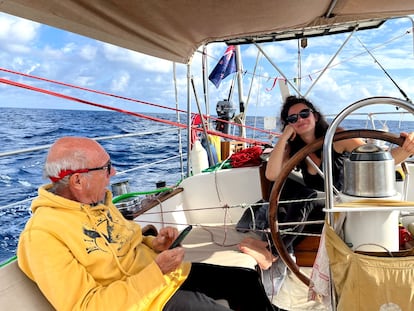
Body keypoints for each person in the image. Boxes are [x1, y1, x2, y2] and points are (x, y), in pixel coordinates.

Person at [17, 136, 274, 311]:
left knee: (245, 281)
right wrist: (155, 272)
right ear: (77, 181)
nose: (114, 173)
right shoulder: (43, 236)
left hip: (163, 276)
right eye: (106, 168)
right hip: (145, 301)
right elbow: (86, 306)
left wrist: (154, 243)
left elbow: (125, 240)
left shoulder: (98, 204)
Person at [239, 95, 414, 270]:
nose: (299, 119)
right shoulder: (294, 149)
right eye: (292, 118)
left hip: (342, 207)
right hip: (319, 210)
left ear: (315, 116)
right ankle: (272, 244)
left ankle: (273, 253)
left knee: (306, 195)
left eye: (304, 113)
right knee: (300, 194)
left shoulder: (338, 137)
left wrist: (407, 149)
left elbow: (378, 160)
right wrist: (284, 138)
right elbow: (271, 174)